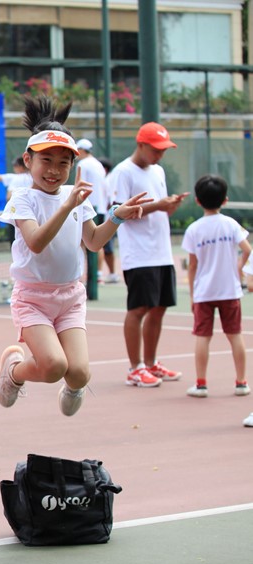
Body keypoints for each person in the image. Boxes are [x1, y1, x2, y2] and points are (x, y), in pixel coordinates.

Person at [0, 96, 149, 417]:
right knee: (53, 366)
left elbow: (93, 241)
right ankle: (13, 373)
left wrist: (116, 216)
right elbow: (36, 242)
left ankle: (74, 385)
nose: (54, 170)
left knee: (79, 373)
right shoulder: (22, 199)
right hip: (32, 298)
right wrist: (67, 206)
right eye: (46, 160)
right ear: (28, 160)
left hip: (69, 297)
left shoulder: (75, 196)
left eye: (63, 163)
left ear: (72, 165)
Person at [108, 122, 190, 388]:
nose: (160, 154)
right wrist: (158, 205)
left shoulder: (158, 171)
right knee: (138, 309)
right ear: (141, 144)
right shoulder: (123, 172)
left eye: (163, 150)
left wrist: (170, 205)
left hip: (162, 252)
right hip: (139, 254)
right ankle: (135, 369)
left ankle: (151, 363)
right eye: (156, 149)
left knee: (159, 308)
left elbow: (161, 209)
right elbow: (119, 213)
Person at [180, 174, 250, 399]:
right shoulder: (231, 224)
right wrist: (239, 268)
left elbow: (192, 265)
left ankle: (201, 384)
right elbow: (247, 250)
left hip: (204, 292)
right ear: (225, 200)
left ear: (197, 201)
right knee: (235, 335)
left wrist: (193, 295)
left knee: (203, 337)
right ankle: (241, 382)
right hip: (229, 290)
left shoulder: (194, 229)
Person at [76, 138, 119, 284]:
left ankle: (86, 275)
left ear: (82, 150)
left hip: (87, 207)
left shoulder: (83, 164)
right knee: (96, 242)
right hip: (100, 208)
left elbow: (80, 186)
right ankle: (97, 274)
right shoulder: (98, 164)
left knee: (85, 241)